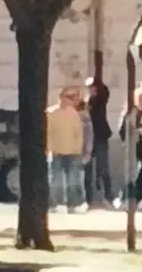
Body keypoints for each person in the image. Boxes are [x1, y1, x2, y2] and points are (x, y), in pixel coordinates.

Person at [46, 89, 86, 213]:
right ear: (61, 97)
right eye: (68, 97)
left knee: (73, 180)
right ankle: (54, 204)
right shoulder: (51, 113)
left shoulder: (73, 114)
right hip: (57, 151)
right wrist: (49, 149)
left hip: (72, 152)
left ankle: (72, 205)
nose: (69, 100)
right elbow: (47, 133)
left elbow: (78, 133)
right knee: (55, 179)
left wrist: (78, 149)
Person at [84, 76, 113, 207]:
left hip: (100, 136)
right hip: (91, 136)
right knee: (88, 168)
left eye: (93, 87)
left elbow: (105, 94)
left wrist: (99, 82)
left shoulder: (100, 99)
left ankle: (107, 197)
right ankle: (89, 198)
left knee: (102, 168)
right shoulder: (89, 100)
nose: (91, 90)